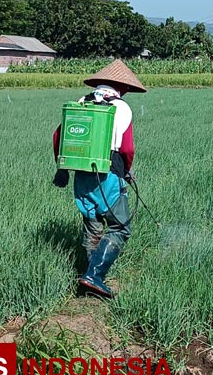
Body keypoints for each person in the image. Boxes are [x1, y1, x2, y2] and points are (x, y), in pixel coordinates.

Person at [51, 59, 146, 298]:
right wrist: (127, 170)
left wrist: (62, 169)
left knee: (93, 223)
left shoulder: (81, 102)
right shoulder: (122, 108)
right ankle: (95, 275)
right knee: (119, 227)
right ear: (121, 87)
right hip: (107, 174)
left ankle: (89, 278)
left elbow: (59, 136)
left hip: (81, 174)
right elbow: (127, 148)